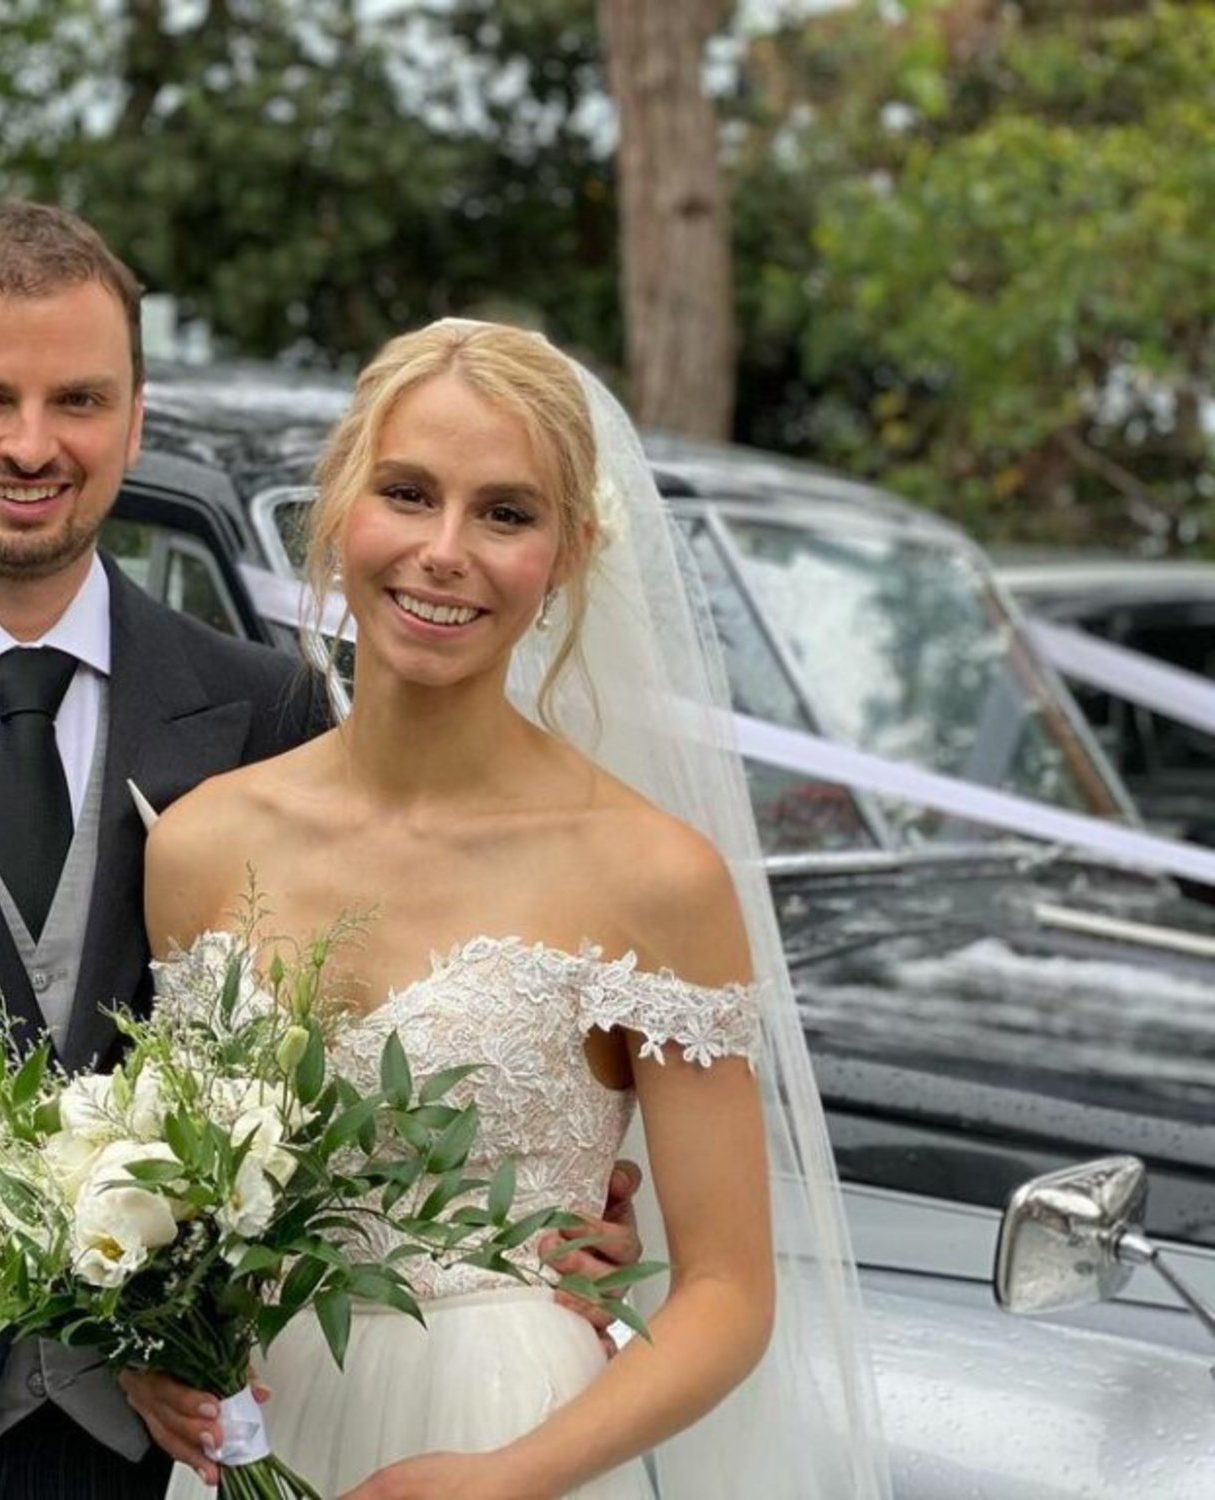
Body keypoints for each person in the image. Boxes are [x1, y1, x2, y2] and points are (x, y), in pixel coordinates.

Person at [0, 204, 642, 1499]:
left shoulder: (264, 715)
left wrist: (532, 1235)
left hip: (155, 1459)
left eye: (77, 400)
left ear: (134, 418)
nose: (32, 445)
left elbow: (354, 1064)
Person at [130, 320, 893, 1498]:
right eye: (406, 492)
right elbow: (166, 1200)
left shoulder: (650, 876)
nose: (444, 551)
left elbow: (729, 1294)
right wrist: (146, 1353)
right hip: (249, 1438)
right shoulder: (197, 845)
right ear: (339, 507)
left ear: (569, 553)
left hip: (509, 1439)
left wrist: (511, 1476)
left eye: (504, 513)